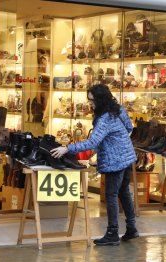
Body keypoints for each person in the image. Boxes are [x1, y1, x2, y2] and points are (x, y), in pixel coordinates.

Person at [51, 84, 138, 246]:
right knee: (124, 192)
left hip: (115, 161)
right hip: (127, 157)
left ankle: (112, 233)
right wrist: (116, 140)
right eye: (89, 100)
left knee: (111, 195)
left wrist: (67, 148)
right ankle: (131, 228)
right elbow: (129, 127)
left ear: (100, 99)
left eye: (92, 100)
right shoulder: (118, 109)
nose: (90, 103)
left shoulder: (104, 118)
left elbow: (93, 141)